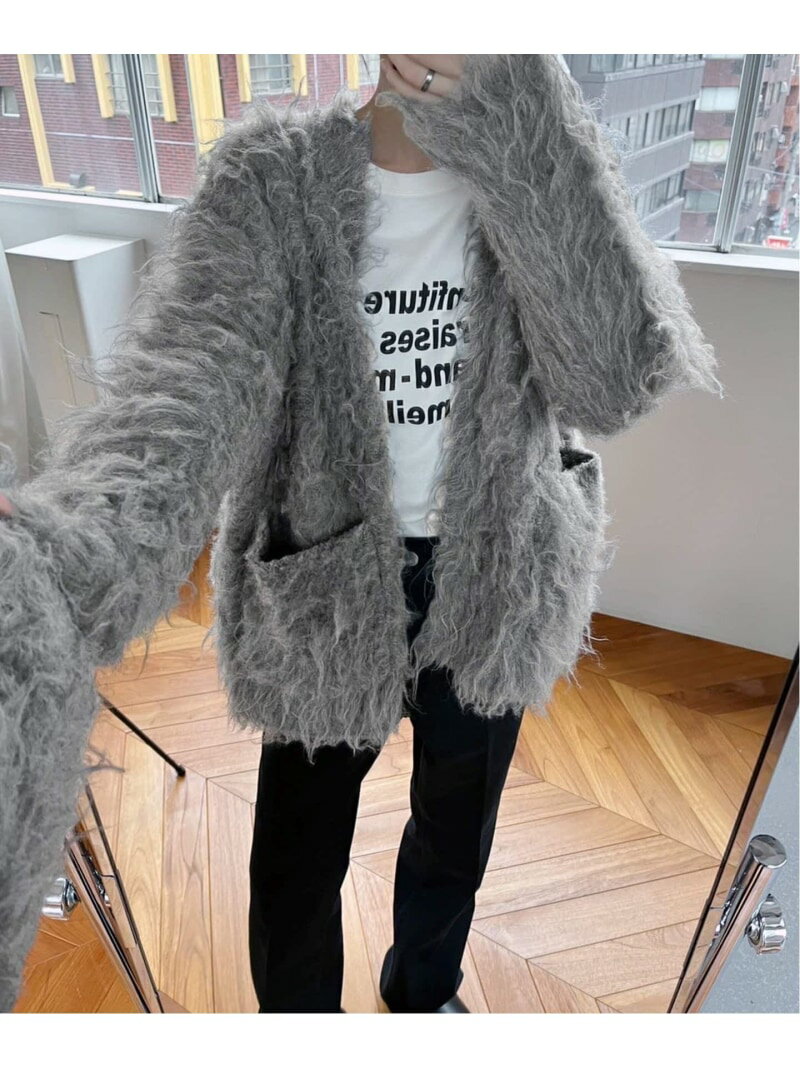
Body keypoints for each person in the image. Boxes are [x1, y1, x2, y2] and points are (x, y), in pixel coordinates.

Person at [0, 54, 724, 1014]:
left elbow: (613, 383)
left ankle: (423, 993)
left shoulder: (544, 165)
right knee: (298, 852)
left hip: (498, 575)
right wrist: (70, 551)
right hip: (324, 577)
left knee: (456, 832)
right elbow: (191, 380)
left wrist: (526, 129)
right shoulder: (274, 178)